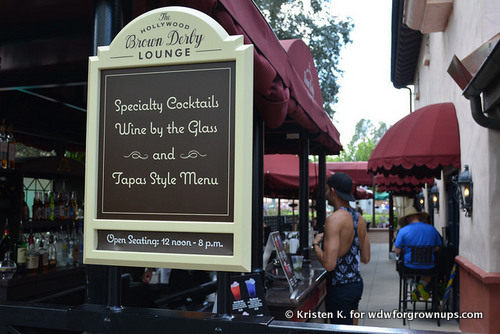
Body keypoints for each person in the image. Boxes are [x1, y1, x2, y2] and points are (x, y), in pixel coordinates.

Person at [312, 173, 370, 325]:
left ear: (332, 191)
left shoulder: (334, 219)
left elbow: (329, 264)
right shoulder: (359, 218)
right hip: (356, 284)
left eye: (326, 190)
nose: (325, 195)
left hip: (340, 287)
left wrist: (316, 246)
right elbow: (366, 258)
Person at [393, 206, 442, 301]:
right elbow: (437, 247)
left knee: (401, 270)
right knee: (430, 272)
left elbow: (397, 250)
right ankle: (421, 286)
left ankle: (415, 286)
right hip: (429, 266)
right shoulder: (431, 229)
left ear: (407, 219)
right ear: (418, 216)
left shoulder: (403, 231)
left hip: (409, 266)